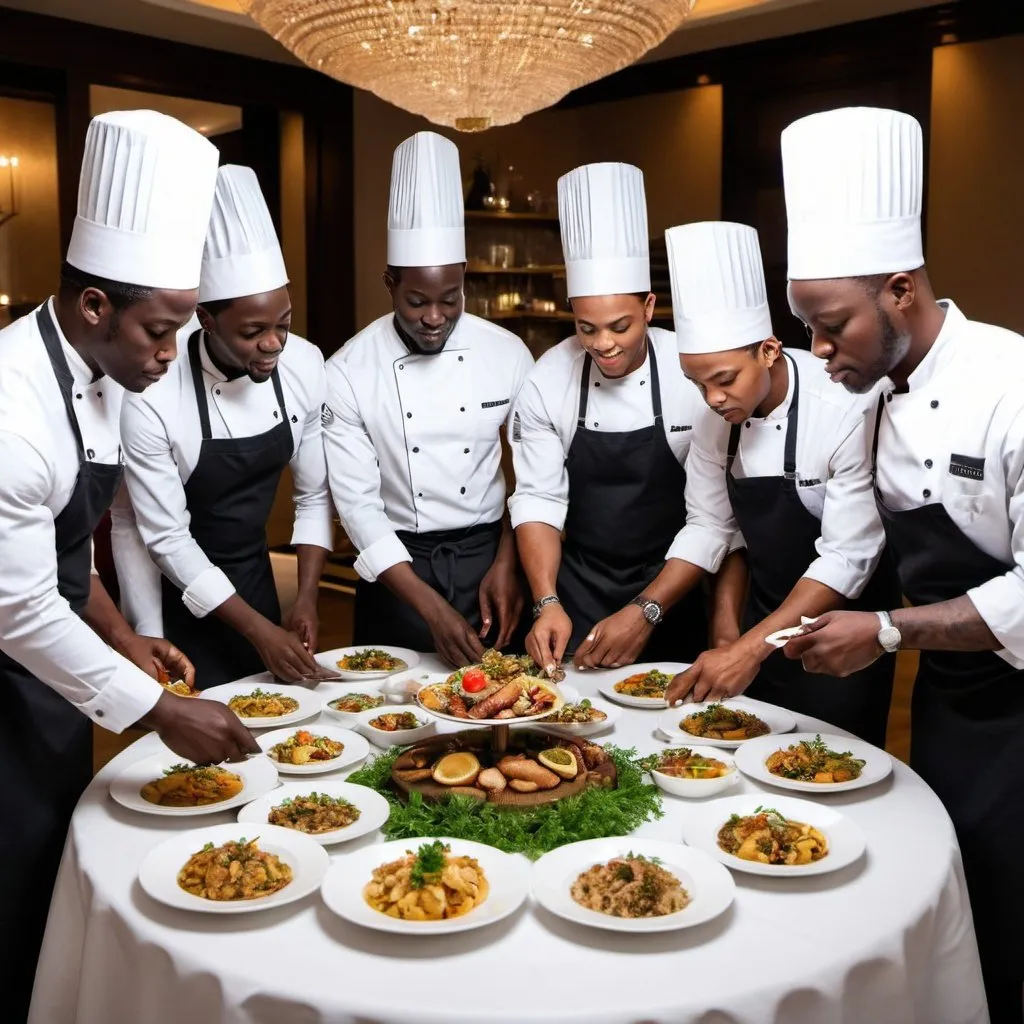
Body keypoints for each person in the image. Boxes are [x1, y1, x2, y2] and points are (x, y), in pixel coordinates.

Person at [0, 110, 258, 1023]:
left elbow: (74, 549)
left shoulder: (109, 371)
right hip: (8, 673)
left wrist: (128, 638)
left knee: (53, 860)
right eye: (161, 329)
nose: (171, 353)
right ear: (95, 306)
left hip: (55, 673)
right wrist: (163, 711)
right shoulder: (14, 410)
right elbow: (22, 612)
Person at [779, 106, 1023, 1022]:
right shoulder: (875, 399)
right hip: (953, 708)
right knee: (955, 895)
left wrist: (884, 631)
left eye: (832, 324)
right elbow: (854, 545)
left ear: (901, 291)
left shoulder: (1012, 385)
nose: (819, 350)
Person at [662, 221, 899, 746]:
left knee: (833, 765)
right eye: (697, 384)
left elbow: (846, 556)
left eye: (725, 380)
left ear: (768, 350)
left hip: (839, 632)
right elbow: (713, 527)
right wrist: (730, 633)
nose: (713, 399)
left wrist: (751, 647)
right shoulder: (711, 419)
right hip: (762, 615)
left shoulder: (843, 408)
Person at [112, 165, 335, 688]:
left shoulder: (304, 364)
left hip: (254, 579)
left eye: (284, 323)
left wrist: (304, 597)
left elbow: (314, 494)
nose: (275, 344)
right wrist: (258, 631)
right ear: (207, 321)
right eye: (253, 331)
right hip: (173, 591)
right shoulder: (153, 394)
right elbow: (165, 536)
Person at [323, 132, 533, 667]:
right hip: (397, 571)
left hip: (493, 557)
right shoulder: (348, 371)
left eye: (450, 299)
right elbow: (358, 510)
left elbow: (532, 476)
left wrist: (510, 563)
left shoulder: (507, 353)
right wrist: (432, 609)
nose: (434, 317)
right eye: (416, 301)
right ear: (389, 283)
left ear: (465, 280)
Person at [511, 163, 718, 674]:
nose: (602, 344)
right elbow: (538, 497)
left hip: (674, 589)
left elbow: (712, 518)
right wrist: (545, 602)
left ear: (649, 306)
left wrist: (648, 609)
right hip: (575, 588)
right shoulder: (548, 378)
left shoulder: (690, 373)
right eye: (586, 328)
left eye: (620, 326)